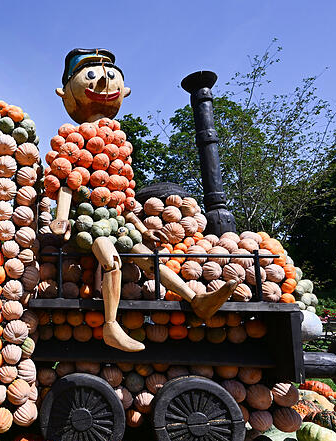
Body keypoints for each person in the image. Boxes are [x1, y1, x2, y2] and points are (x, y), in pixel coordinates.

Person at [50, 49, 238, 352]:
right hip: (88, 222)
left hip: (118, 223)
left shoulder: (119, 143)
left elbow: (124, 198)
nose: (101, 83)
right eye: (90, 76)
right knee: (111, 260)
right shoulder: (75, 137)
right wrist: (61, 217)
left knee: (150, 259)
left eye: (110, 76)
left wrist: (141, 225)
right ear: (66, 91)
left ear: (123, 90)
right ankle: (111, 325)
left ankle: (196, 300)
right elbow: (67, 181)